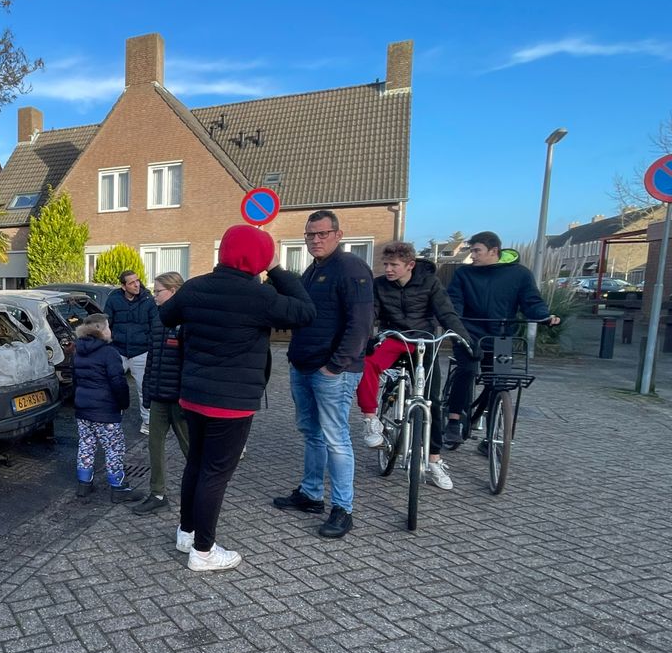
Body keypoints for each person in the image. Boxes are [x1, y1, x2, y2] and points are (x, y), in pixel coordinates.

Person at [161, 225, 314, 571]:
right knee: (215, 473)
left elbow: (166, 316)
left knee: (196, 464)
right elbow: (306, 312)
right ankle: (203, 552)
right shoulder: (261, 297)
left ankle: (187, 532)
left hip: (194, 394)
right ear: (259, 257)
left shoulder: (195, 287)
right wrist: (276, 269)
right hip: (231, 402)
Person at [274, 210, 374, 539]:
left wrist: (335, 365)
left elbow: (361, 323)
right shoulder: (312, 270)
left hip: (333, 371)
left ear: (338, 235)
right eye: (310, 234)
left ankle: (343, 509)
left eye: (322, 234)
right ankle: (311, 494)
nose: (315, 240)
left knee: (336, 439)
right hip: (303, 366)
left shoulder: (351, 268)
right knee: (312, 433)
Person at [357, 241, 471, 490]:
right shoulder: (379, 285)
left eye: (394, 265)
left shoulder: (430, 283)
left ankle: (434, 460)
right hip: (394, 339)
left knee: (432, 401)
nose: (388, 269)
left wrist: (464, 340)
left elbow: (446, 313)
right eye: (386, 264)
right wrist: (366, 338)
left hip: (423, 342)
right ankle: (370, 419)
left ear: (410, 265)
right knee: (366, 364)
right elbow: (370, 314)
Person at [442, 231, 559, 447]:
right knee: (466, 370)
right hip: (468, 333)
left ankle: (491, 438)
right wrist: (454, 321)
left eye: (477, 251)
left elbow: (531, 301)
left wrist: (544, 316)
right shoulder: (463, 274)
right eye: (471, 250)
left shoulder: (520, 274)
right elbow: (454, 301)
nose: (472, 255)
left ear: (494, 251)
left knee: (499, 382)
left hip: (501, 335)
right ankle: (454, 421)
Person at [132, 272, 191, 516]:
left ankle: (202, 492)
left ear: (173, 291)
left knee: (190, 449)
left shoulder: (188, 319)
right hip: (158, 396)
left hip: (179, 399)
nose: (153, 295)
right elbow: (152, 359)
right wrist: (148, 392)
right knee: (154, 445)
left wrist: (186, 396)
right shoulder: (158, 319)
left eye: (158, 291)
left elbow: (192, 363)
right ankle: (157, 494)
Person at [71, 313, 143, 503]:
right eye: (108, 327)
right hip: (105, 411)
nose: (110, 330)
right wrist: (123, 404)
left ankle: (84, 484)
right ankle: (118, 487)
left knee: (86, 444)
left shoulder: (78, 350)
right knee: (114, 447)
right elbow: (118, 382)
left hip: (83, 408)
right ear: (101, 330)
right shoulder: (109, 353)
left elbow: (75, 380)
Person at [104, 270, 157, 434]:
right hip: (118, 351)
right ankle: (112, 419)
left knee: (144, 389)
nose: (136, 285)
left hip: (141, 352)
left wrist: (149, 344)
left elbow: (155, 325)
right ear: (123, 286)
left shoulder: (148, 300)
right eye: (132, 282)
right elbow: (107, 323)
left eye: (137, 281)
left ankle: (147, 422)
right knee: (113, 387)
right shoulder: (113, 299)